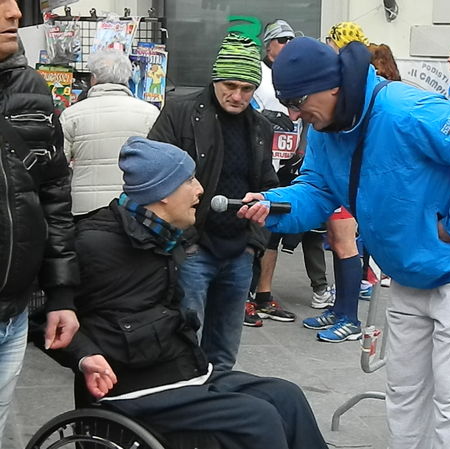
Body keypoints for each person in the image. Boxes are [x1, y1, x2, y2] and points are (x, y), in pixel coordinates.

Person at [237, 37, 450, 449]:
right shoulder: (324, 127)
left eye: (297, 101)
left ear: (331, 87)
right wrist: (272, 203)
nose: (292, 113)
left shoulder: (406, 109)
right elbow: (317, 189)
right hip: (407, 270)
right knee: (404, 393)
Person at [52, 136, 329, 449]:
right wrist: (84, 355)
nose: (200, 190)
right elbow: (45, 317)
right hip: (132, 390)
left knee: (286, 395)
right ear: (162, 193)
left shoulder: (165, 237)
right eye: (190, 180)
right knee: (257, 418)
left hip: (181, 371)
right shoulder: (94, 243)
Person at [147, 32, 279, 370]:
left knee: (223, 350)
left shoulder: (261, 127)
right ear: (216, 78)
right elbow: (153, 176)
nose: (237, 96)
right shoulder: (180, 112)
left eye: (246, 89)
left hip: (238, 250)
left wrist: (254, 244)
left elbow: (267, 186)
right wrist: (181, 241)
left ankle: (218, 406)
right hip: (192, 247)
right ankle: (184, 405)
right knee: (185, 343)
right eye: (230, 86)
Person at [0, 0, 80, 443]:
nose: (15, 13)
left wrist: (61, 294)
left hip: (12, 314)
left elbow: (53, 193)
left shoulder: (31, 84)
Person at [245, 19, 333, 327]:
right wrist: (265, 118)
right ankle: (245, 295)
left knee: (274, 233)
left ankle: (263, 294)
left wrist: (301, 151)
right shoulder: (260, 74)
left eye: (290, 40)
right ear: (268, 45)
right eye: (280, 40)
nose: (286, 45)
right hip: (260, 160)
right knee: (253, 226)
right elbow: (242, 106)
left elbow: (306, 119)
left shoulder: (302, 75)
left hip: (289, 163)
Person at [301, 21, 372, 343]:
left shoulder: (350, 83)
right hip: (333, 177)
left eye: (329, 42)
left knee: (345, 245)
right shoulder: (335, 81)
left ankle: (350, 318)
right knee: (336, 242)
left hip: (347, 181)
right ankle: (340, 309)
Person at [60, 49, 159, 217]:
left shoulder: (71, 115)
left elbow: (59, 167)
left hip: (85, 209)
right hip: (134, 207)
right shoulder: (150, 114)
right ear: (127, 77)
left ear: (94, 78)